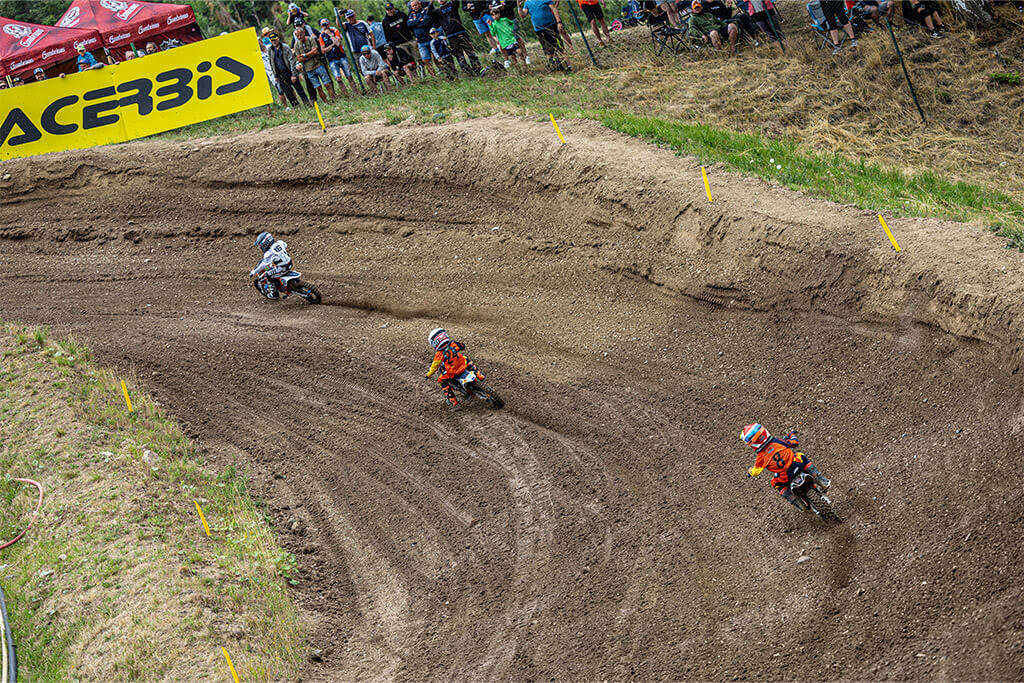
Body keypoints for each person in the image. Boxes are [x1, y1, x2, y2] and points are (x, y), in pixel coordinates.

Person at [742, 424, 831, 510]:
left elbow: (756, 472)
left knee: (775, 483)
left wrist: (750, 472)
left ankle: (797, 503)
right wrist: (791, 435)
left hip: (785, 476)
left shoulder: (760, 457)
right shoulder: (777, 441)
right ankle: (821, 480)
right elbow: (794, 443)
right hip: (797, 465)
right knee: (801, 456)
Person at [424, 328, 485, 408]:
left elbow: (434, 368)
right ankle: (478, 374)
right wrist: (460, 345)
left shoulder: (438, 355)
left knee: (441, 380)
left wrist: (428, 375)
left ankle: (453, 400)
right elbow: (462, 346)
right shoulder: (453, 344)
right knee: (466, 359)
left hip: (452, 373)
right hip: (462, 365)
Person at [521, 0, 570, 71]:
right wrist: (519, 7)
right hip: (539, 29)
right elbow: (523, 15)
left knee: (558, 46)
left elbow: (554, 9)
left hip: (551, 25)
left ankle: (566, 64)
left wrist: (559, 22)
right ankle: (556, 65)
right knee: (547, 49)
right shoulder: (527, 2)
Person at [437, 0, 482, 75]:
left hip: (460, 32)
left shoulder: (452, 5)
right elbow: (429, 12)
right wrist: (431, 2)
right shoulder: (437, 11)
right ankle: (468, 73)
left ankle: (478, 69)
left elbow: (456, 2)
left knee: (470, 52)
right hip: (450, 36)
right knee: (459, 56)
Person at [294, 23, 335, 101]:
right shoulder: (296, 45)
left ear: (304, 33)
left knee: (327, 84)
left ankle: (333, 99)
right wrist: (310, 54)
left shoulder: (311, 39)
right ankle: (326, 101)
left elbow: (315, 51)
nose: (299, 37)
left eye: (301, 35)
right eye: (297, 36)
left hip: (318, 65)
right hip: (309, 69)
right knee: (318, 87)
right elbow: (299, 59)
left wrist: (305, 55)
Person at [318, 19, 358, 97]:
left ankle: (356, 93)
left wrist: (330, 35)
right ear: (321, 26)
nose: (325, 26)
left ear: (329, 24)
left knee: (349, 76)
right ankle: (346, 95)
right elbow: (323, 50)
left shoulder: (335, 30)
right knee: (338, 79)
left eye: (326, 24)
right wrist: (331, 46)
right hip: (331, 59)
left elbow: (338, 43)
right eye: (323, 25)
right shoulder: (321, 35)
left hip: (341, 56)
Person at [267, 32, 309, 107]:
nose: (274, 42)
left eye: (275, 40)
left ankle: (307, 104)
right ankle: (296, 107)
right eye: (272, 40)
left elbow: (292, 61)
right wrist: (275, 75)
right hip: (280, 75)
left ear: (278, 39)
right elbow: (271, 62)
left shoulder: (285, 47)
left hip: (289, 71)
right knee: (288, 92)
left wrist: (293, 74)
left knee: (299, 90)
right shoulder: (270, 50)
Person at [250, 231, 294, 299]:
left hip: (281, 268)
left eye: (260, 246)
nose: (260, 248)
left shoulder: (269, 253)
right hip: (289, 263)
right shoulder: (279, 242)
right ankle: (280, 283)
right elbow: (285, 245)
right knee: (272, 267)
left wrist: (253, 272)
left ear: (265, 243)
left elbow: (263, 264)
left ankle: (274, 293)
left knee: (267, 275)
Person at [408, 0, 440, 75]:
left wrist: (416, 23)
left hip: (430, 39)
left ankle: (441, 71)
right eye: (413, 6)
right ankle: (434, 76)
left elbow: (426, 21)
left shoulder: (425, 11)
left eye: (416, 5)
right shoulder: (411, 14)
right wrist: (419, 20)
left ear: (419, 4)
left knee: (435, 57)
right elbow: (409, 24)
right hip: (421, 41)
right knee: (425, 60)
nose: (414, 7)